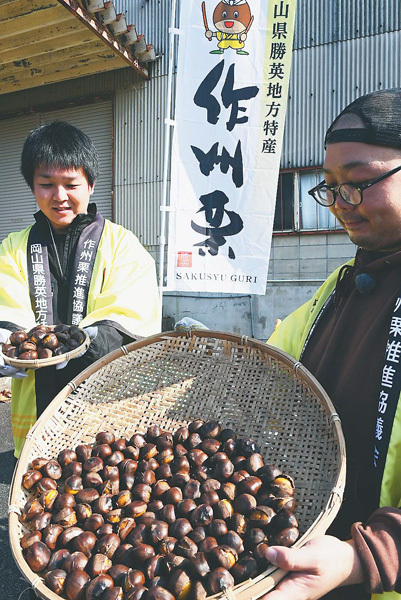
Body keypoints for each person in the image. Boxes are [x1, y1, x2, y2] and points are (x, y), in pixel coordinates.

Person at [262, 89, 401, 599]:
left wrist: (362, 556)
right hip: (312, 552)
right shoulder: (341, 284)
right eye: (331, 187)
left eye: (360, 184)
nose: (341, 205)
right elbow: (270, 360)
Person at [0, 121, 160, 458]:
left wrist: (77, 346)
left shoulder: (122, 245)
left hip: (104, 408)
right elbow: (7, 312)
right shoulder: (13, 247)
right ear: (32, 186)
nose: (59, 196)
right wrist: (9, 343)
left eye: (71, 184)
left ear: (91, 185)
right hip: (35, 412)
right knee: (37, 496)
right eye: (46, 184)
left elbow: (129, 317)